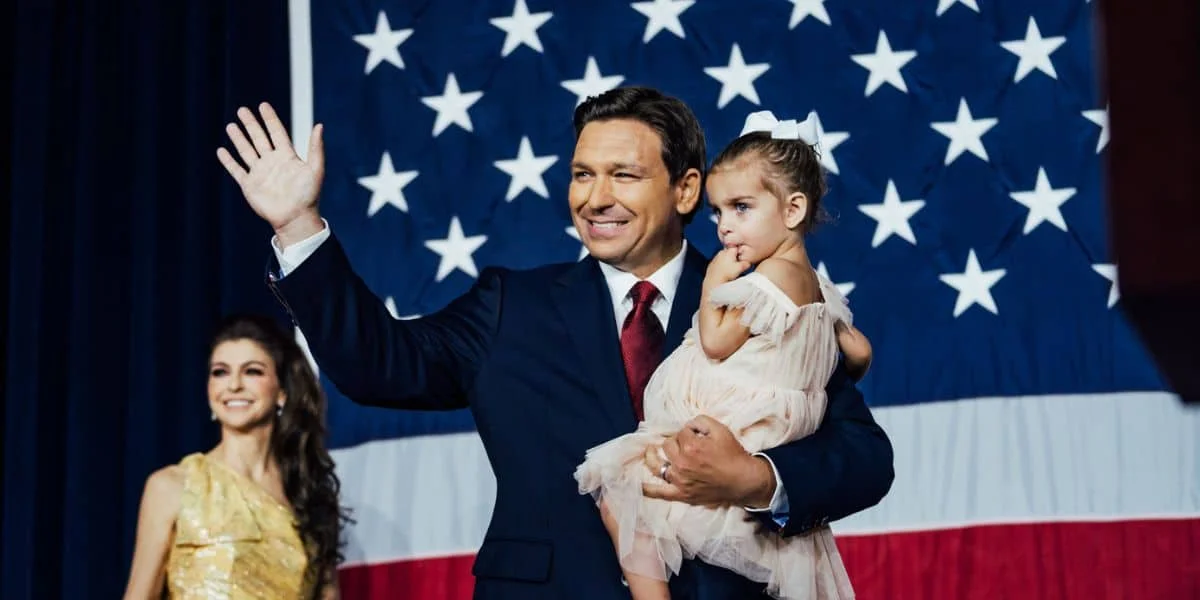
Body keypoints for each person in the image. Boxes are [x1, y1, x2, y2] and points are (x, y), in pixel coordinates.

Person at [215, 86, 893, 599]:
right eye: (581, 174)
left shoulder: (761, 296)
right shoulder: (510, 305)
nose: (595, 198)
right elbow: (378, 366)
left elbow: (863, 456)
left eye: (624, 175)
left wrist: (755, 478)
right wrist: (300, 225)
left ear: (687, 189)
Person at [575, 110, 870, 600]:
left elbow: (715, 342)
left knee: (620, 487)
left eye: (740, 208)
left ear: (793, 211)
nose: (724, 228)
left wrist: (713, 285)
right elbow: (857, 351)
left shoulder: (759, 282)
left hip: (736, 428)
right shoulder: (820, 288)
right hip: (771, 419)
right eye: (718, 213)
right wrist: (830, 372)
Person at [122, 314, 349, 600]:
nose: (234, 385)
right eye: (220, 372)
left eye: (252, 371)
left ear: (281, 392)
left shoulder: (309, 498)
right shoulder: (172, 486)